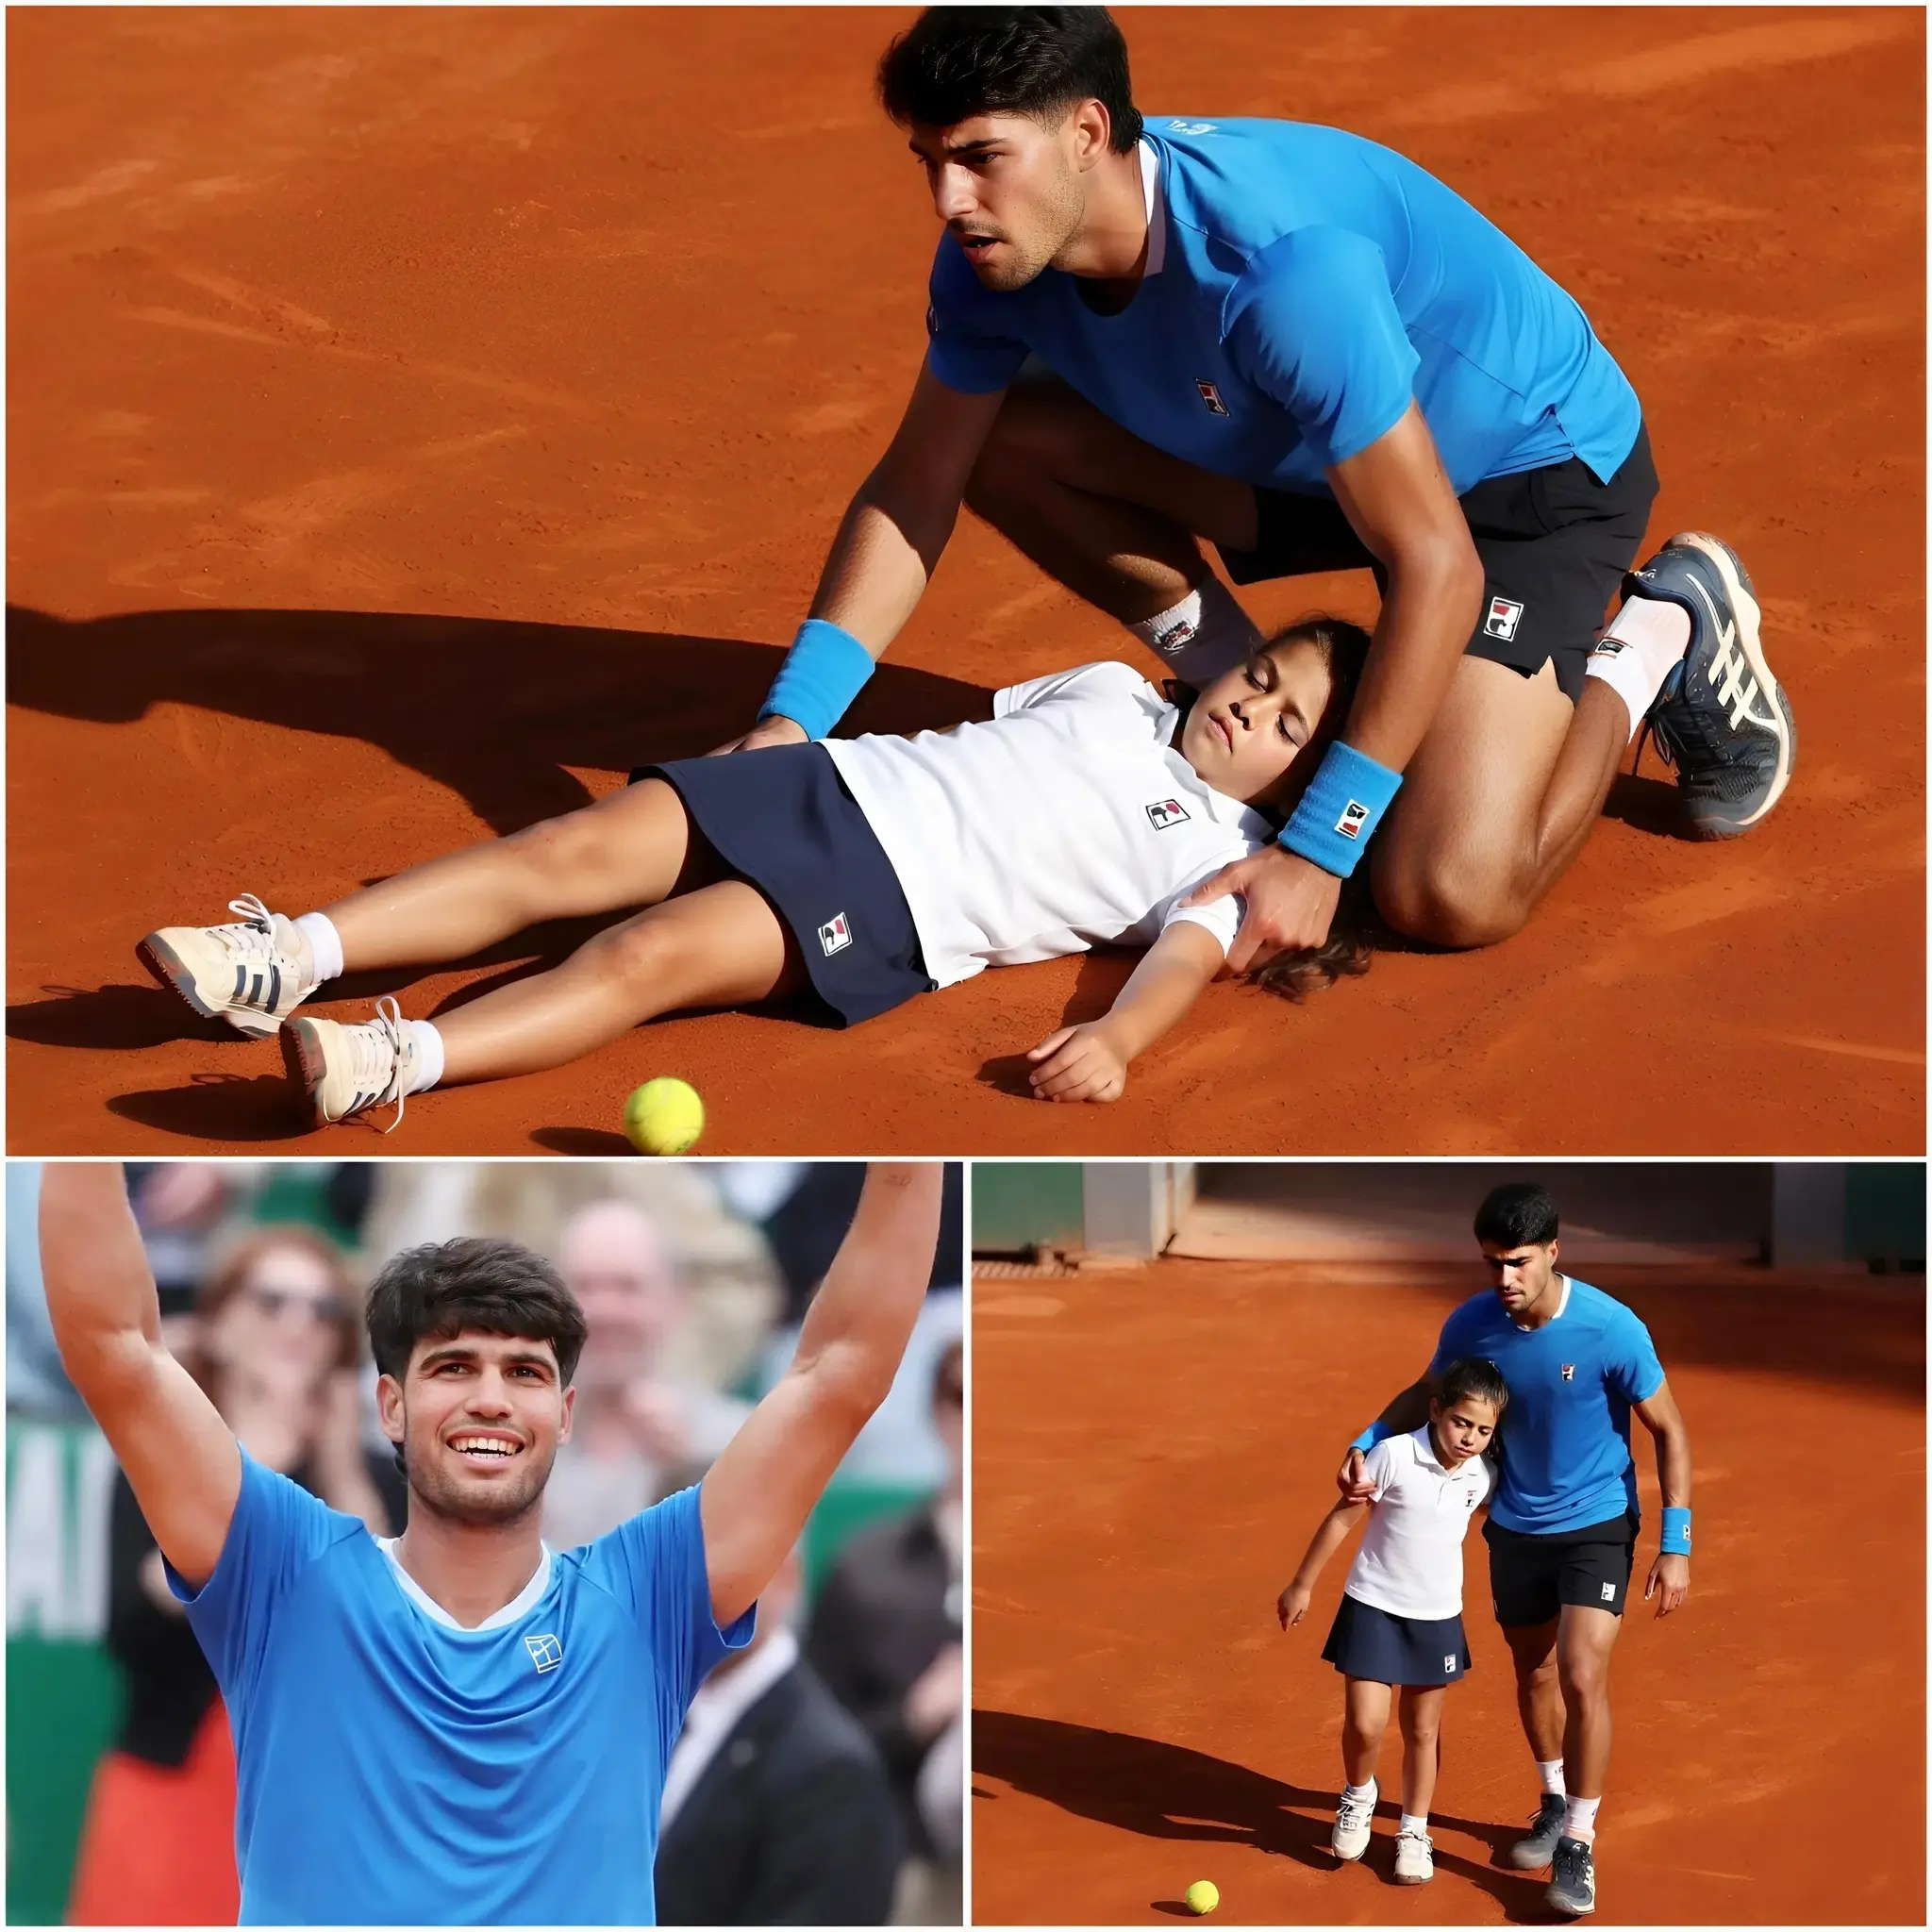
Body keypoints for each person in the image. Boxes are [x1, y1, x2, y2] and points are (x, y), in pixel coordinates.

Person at [714, 7, 1795, 979]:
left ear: (1087, 134)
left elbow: (1437, 563)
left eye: (981, 159)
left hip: (1519, 480)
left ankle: (1651, 637)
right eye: (930, 162)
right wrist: (789, 722)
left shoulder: (1279, 272)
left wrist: (1320, 848)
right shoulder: (988, 262)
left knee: (1443, 887)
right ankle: (1235, 685)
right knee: (1003, 439)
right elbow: (917, 486)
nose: (950, 201)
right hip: (1305, 446)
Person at [39, 1160, 943, 1925]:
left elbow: (840, 1372)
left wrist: (912, 1149)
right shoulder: (285, 1574)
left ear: (565, 1412)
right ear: (390, 1407)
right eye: (451, 1368)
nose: (490, 1399)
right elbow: (116, 1345)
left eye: (524, 1373)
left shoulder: (647, 1598)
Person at [136, 619, 1367, 1127]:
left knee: (646, 957)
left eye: (1289, 724)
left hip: (895, 910)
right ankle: (287, 952)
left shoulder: (1231, 859)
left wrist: (1125, 1045)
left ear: (1314, 783)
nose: (1252, 708)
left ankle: (389, 1058)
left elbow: (1178, 961)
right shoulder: (1107, 688)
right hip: (825, 784)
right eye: (1259, 675)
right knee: (569, 852)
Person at [1338, 1184, 1693, 1918]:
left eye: (1518, 1263)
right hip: (1515, 1526)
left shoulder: (1610, 1328)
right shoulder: (1473, 1322)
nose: (1504, 1280)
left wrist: (1676, 1542)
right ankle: (1555, 1802)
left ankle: (1580, 1845)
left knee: (1582, 1670)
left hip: (1597, 1522)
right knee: (1533, 1673)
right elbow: (1428, 1389)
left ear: (1554, 1252)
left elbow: (1670, 1430)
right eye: (1492, 1263)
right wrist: (1367, 1441)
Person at [67, 1226, 401, 1926]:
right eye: (272, 1301)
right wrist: (262, 1463)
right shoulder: (159, 1463)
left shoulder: (370, 1478)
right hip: (173, 1778)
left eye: (323, 1310)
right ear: (218, 1325)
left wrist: (336, 1466)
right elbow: (132, 1625)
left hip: (321, 1814)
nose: (298, 1326)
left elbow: (384, 1622)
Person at [1276, 1357, 1506, 1887]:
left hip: (1437, 1616)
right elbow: (1342, 1517)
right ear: (1435, 1410)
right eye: (1461, 1423)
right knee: (1365, 1722)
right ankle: (1359, 1794)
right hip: (1374, 1605)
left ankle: (1413, 1829)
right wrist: (1302, 1584)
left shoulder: (1484, 1476)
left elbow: (1484, 1524)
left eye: (1483, 1429)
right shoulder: (1393, 1455)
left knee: (1423, 1731)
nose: (1470, 1437)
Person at [655, 1548, 903, 1926]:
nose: (696, 1591)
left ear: (785, 1574)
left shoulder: (831, 1771)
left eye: (720, 1566)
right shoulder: (626, 1709)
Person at [807, 1337, 965, 1918]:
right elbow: (816, 1746)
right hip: (904, 1870)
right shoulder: (865, 1569)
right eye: (962, 1397)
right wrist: (914, 1719)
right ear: (935, 1410)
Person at [542, 1197, 752, 1550]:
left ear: (676, 1302)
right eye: (584, 1287)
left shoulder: (736, 1440)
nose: (603, 1310)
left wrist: (688, 1473)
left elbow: (775, 1593)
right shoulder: (520, 1437)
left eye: (628, 1287)